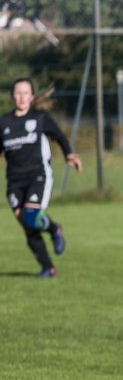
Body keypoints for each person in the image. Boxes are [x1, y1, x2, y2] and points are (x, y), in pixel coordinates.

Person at [2, 78, 82, 278]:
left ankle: (55, 229)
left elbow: (59, 136)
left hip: (38, 175)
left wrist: (69, 154)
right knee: (28, 227)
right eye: (18, 93)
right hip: (14, 180)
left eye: (25, 93)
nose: (21, 97)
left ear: (31, 96)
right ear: (13, 96)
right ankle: (48, 267)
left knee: (31, 216)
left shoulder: (39, 118)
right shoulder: (4, 122)